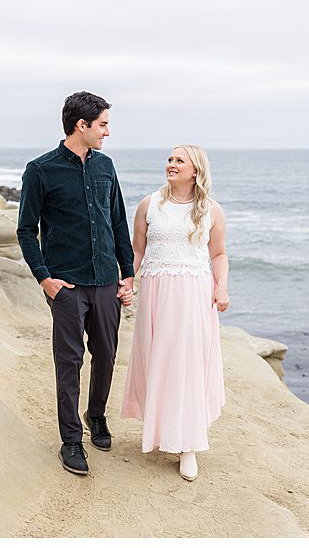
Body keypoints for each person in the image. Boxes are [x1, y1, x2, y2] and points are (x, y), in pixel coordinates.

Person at [16, 91, 135, 476]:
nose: (107, 132)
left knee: (106, 354)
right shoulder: (40, 170)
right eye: (102, 125)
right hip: (65, 285)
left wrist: (127, 272)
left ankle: (95, 415)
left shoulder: (106, 167)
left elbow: (118, 221)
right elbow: (25, 230)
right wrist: (45, 279)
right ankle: (70, 440)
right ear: (81, 125)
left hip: (106, 281)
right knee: (68, 362)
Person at [120, 144, 229, 482]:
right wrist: (127, 281)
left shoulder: (211, 210)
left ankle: (188, 445)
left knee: (187, 364)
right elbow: (137, 251)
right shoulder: (149, 204)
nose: (171, 164)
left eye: (179, 160)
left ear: (195, 170)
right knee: (159, 361)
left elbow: (219, 255)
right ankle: (162, 431)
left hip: (193, 294)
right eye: (170, 159)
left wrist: (221, 287)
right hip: (155, 293)